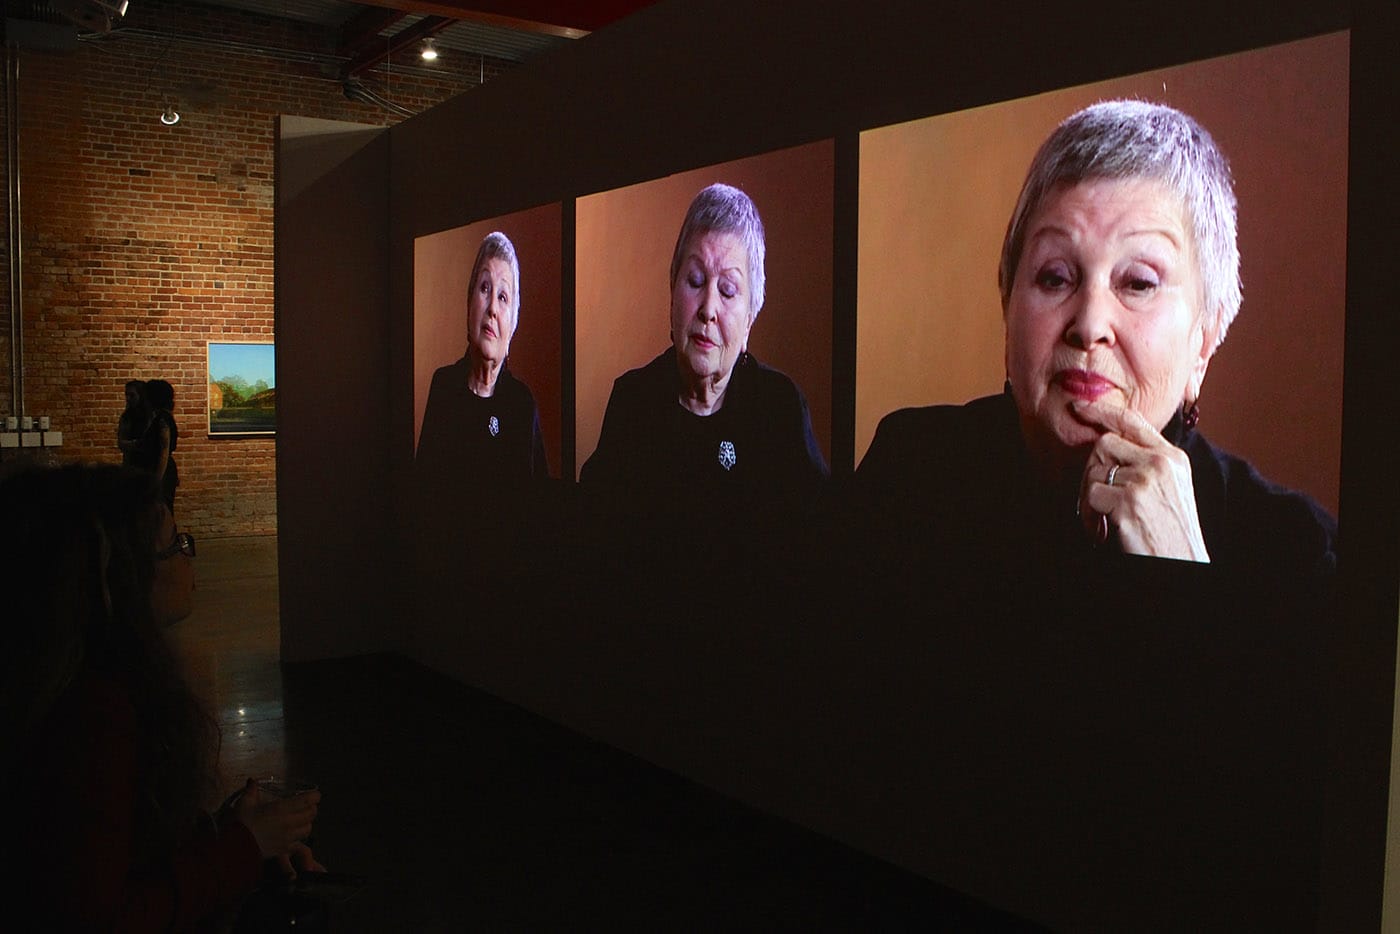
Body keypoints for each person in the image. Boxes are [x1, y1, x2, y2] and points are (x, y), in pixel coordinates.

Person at [859, 100, 1335, 574]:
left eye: (1138, 283)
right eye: (1055, 277)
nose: (1089, 325)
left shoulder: (1295, 548)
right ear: (1007, 302)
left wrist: (1182, 567)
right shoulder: (909, 469)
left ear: (1203, 343)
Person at [0, 464, 323, 931]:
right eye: (174, 545)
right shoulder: (95, 717)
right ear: (121, 577)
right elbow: (101, 915)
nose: (189, 556)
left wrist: (232, 834)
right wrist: (244, 846)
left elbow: (118, 853)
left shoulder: (65, 689)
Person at [581, 183, 828, 490]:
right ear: (672, 291)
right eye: (696, 281)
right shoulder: (632, 402)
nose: (708, 309)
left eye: (727, 290)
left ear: (749, 319)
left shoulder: (781, 408)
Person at [416, 231, 549, 484]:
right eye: (485, 288)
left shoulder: (522, 404)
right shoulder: (443, 387)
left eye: (503, 297)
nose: (492, 309)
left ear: (512, 326)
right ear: (469, 304)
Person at [133, 378, 180, 514]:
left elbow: (164, 450)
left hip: (160, 469)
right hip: (160, 468)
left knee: (160, 510)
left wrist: (157, 479)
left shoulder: (162, 419)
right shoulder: (160, 417)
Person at [117, 379, 151, 468]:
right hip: (131, 463)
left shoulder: (150, 416)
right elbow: (121, 442)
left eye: (132, 395)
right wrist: (137, 444)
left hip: (148, 464)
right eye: (126, 395)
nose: (128, 398)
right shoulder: (126, 417)